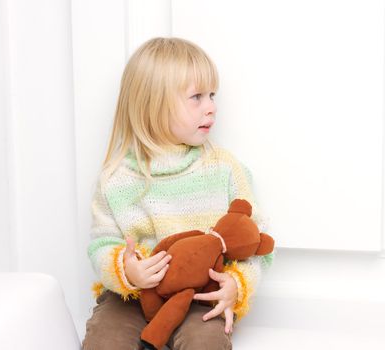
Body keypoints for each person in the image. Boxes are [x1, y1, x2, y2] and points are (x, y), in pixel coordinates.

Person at [82, 37, 274, 350]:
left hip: (200, 295)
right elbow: (102, 243)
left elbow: (257, 240)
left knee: (206, 342)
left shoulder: (223, 168)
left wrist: (236, 286)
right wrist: (127, 271)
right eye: (196, 97)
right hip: (133, 298)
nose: (211, 107)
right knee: (105, 340)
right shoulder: (116, 178)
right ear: (152, 104)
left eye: (212, 95)